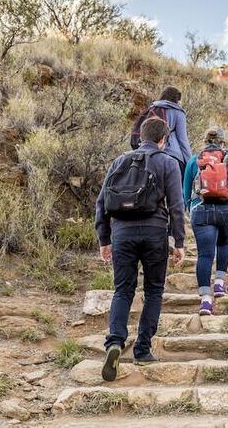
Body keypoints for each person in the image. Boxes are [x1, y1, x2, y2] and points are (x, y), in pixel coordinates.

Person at [95, 117, 186, 382]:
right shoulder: (167, 162)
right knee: (154, 290)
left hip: (122, 233)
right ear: (164, 139)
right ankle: (142, 349)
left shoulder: (119, 161)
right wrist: (178, 242)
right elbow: (176, 206)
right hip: (155, 232)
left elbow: (101, 204)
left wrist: (104, 240)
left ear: (139, 136)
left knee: (123, 289)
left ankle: (114, 341)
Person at [183, 126, 228, 316]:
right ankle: (219, 283)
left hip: (201, 211)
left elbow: (186, 190)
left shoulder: (195, 159)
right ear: (223, 141)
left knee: (204, 255)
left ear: (205, 141)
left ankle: (205, 301)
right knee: (224, 243)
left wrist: (190, 208)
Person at [150, 86, 192, 176]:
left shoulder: (152, 108)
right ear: (176, 99)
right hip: (173, 155)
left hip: (150, 156)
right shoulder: (178, 112)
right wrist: (189, 164)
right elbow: (182, 140)